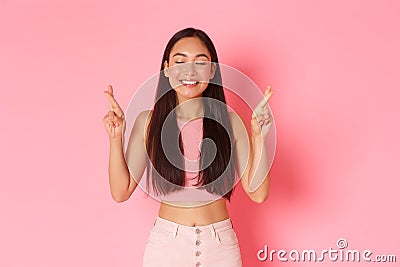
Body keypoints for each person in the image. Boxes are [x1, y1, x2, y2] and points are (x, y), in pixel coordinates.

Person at [103, 27, 274, 267]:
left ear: (212, 70)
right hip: (166, 247)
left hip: (220, 247)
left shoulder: (230, 121)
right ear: (166, 69)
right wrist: (115, 136)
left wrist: (258, 137)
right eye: (180, 61)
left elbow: (258, 193)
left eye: (200, 62)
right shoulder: (148, 122)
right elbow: (121, 192)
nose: (189, 71)